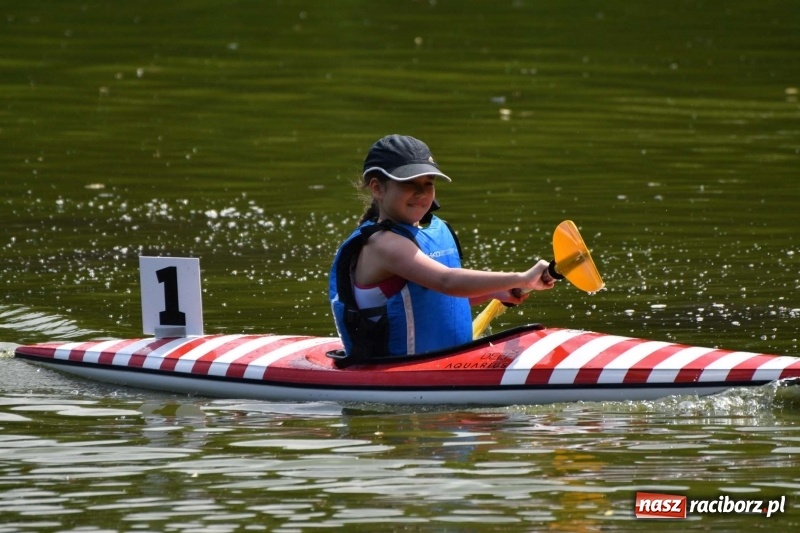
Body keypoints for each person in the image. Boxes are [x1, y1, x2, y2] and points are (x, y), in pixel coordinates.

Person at [329, 134, 555, 362]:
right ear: (377, 188)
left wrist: (492, 292)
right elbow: (446, 281)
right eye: (409, 183)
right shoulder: (385, 244)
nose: (421, 193)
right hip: (396, 369)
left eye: (428, 183)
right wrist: (521, 278)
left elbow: (432, 302)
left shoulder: (424, 233)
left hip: (438, 363)